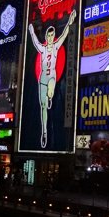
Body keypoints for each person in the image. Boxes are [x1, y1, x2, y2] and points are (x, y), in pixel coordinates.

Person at [27, 9, 76, 148]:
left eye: (52, 35)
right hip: (42, 78)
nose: (50, 37)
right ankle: (44, 132)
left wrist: (71, 19)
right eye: (48, 35)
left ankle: (50, 96)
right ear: (46, 36)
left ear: (53, 35)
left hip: (52, 77)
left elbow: (65, 32)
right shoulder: (42, 49)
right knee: (43, 107)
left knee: (50, 91)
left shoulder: (56, 47)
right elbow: (35, 41)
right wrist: (31, 29)